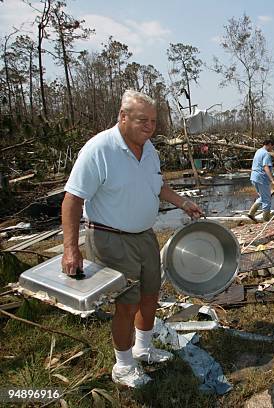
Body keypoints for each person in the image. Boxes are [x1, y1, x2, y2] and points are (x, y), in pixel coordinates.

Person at [61, 90, 203, 388]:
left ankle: (144, 348)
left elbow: (157, 186)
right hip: (111, 238)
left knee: (150, 294)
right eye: (142, 120)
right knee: (126, 304)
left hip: (144, 236)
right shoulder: (100, 149)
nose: (149, 126)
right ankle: (123, 366)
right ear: (122, 117)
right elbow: (72, 199)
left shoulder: (149, 149)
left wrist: (182, 202)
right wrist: (70, 249)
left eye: (153, 120)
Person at [247, 139, 274, 222]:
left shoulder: (258, 151)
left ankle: (251, 213)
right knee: (267, 200)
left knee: (262, 196)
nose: (273, 148)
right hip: (261, 178)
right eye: (273, 146)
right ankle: (266, 220)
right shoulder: (266, 154)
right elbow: (265, 167)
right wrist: (272, 180)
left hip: (254, 177)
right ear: (269, 144)